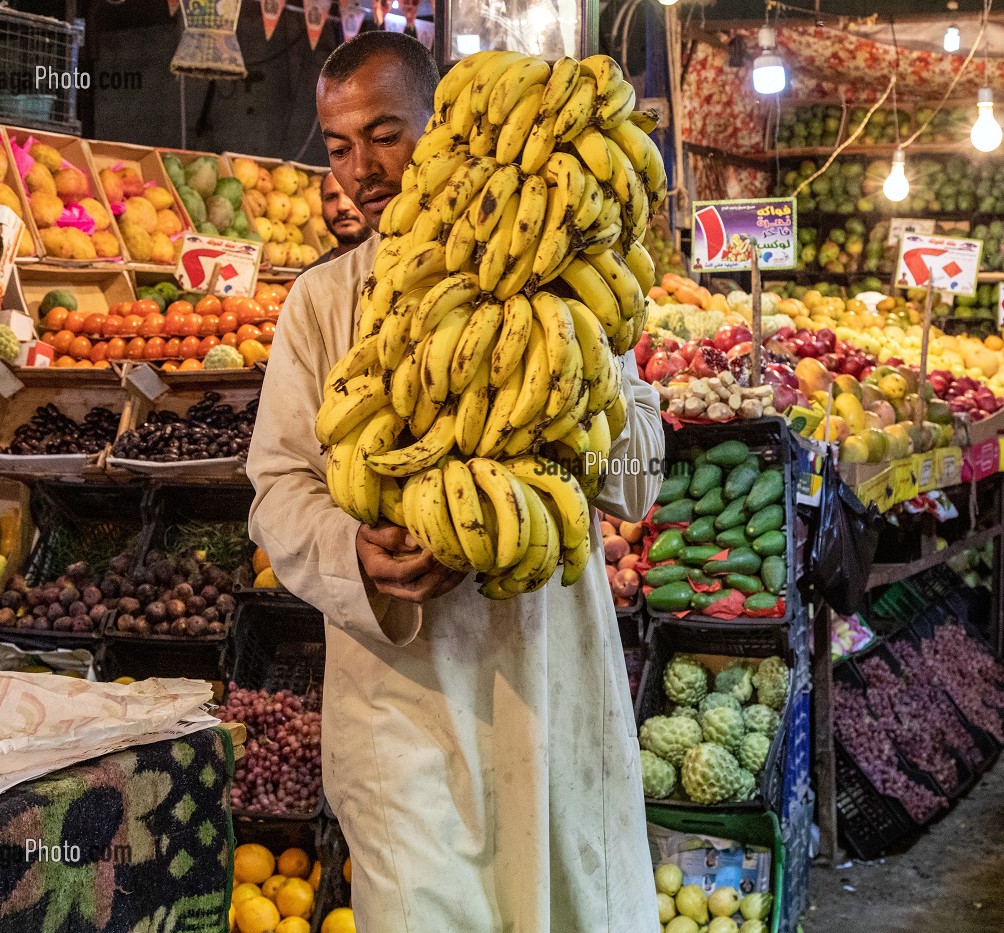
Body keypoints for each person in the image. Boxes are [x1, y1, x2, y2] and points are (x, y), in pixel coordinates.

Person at [247, 31, 663, 933]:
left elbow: (635, 484)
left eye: (386, 134)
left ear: (446, 127)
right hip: (402, 713)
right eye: (339, 146)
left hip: (550, 683)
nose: (362, 169)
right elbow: (277, 487)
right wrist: (353, 553)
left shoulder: (564, 285)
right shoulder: (320, 305)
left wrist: (585, 385)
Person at [307, 170, 371, 267]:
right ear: (322, 206)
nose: (342, 206)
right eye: (331, 198)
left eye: (351, 194)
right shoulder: (311, 278)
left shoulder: (399, 261)